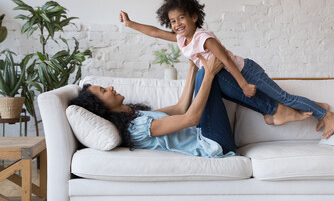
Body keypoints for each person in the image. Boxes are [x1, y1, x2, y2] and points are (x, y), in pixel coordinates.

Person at [119, 0, 334, 139]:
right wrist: (130, 23)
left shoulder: (204, 38)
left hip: (247, 71)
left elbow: (224, 60)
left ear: (195, 16)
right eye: (173, 21)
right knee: (278, 102)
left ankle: (326, 114)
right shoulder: (181, 38)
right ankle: (315, 106)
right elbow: (155, 32)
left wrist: (243, 84)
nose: (176, 24)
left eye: (181, 18)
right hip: (230, 78)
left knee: (283, 97)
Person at [69, 56, 313, 157]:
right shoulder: (137, 127)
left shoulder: (135, 114)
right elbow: (190, 118)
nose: (110, 88)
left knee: (212, 76)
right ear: (102, 108)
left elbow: (180, 107)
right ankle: (274, 111)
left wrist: (193, 67)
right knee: (212, 76)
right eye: (104, 91)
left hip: (211, 135)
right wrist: (207, 75)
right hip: (214, 145)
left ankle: (273, 112)